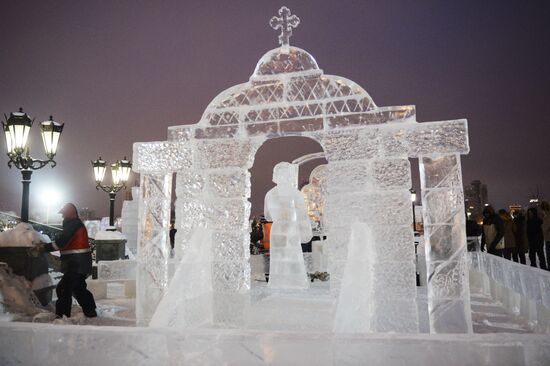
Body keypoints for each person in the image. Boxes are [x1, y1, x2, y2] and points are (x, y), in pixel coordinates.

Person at [33, 203, 97, 318]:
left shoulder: (72, 224)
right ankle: (90, 311)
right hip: (81, 262)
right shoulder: (74, 223)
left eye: (63, 214)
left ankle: (62, 316)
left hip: (76, 263)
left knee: (63, 289)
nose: (62, 216)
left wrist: (43, 248)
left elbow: (61, 243)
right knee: (78, 288)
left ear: (69, 214)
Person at [541, 201, 550, 269]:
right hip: (547, 238)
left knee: (549, 255)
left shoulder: (547, 216)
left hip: (548, 238)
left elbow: (545, 227)